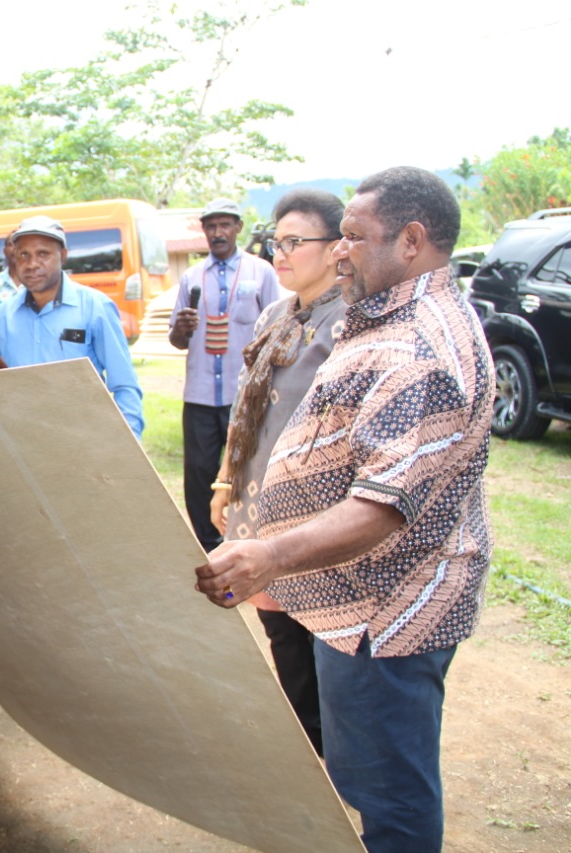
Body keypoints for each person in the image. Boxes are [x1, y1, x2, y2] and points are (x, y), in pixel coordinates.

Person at [195, 167, 493, 853]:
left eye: (353, 237)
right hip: (347, 598)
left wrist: (268, 552)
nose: (340, 252)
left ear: (413, 240)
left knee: (386, 791)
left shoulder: (424, 348)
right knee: (361, 769)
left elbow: (383, 508)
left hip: (384, 611)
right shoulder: (384, 313)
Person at [208, 188, 347, 757]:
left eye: (294, 242)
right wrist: (225, 480)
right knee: (283, 636)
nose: (279, 253)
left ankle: (332, 755)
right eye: (276, 241)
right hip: (257, 502)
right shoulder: (276, 312)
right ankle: (308, 746)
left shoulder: (352, 321)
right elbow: (247, 407)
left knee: (322, 639)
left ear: (338, 247)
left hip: (314, 516)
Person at [0, 215, 143, 437]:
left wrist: (131, 447)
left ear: (63, 256)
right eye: (24, 255)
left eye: (43, 254)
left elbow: (124, 385)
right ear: (14, 259)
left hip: (85, 440)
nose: (32, 264)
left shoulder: (95, 307)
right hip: (27, 442)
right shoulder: (2, 317)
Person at [169, 198, 281, 553]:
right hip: (200, 394)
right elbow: (176, 340)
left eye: (225, 225)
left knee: (247, 469)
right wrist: (182, 330)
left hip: (245, 394)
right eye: (211, 226)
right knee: (200, 473)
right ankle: (207, 545)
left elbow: (278, 327)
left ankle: (242, 541)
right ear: (204, 231)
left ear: (238, 228)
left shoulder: (261, 272)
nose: (218, 233)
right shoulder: (191, 277)